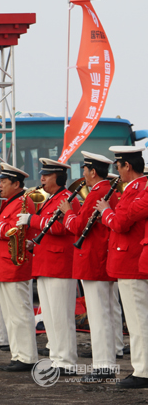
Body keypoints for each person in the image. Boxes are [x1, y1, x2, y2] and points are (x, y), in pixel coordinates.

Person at [58, 151, 118, 383]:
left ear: (93, 171)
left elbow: (77, 226)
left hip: (93, 259)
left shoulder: (97, 192)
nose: (82, 174)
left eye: (84, 170)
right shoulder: (106, 191)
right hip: (100, 259)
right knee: (104, 312)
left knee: (99, 314)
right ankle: (106, 363)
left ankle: (104, 366)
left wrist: (67, 212)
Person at [16, 158, 80, 375]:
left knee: (61, 316)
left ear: (59, 178)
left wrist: (32, 220)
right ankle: (57, 358)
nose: (42, 178)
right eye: (42, 174)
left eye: (47, 175)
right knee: (50, 317)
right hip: (46, 263)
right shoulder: (51, 200)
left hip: (60, 264)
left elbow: (62, 228)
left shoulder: (68, 199)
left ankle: (67, 362)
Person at [0, 163, 38, 372]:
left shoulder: (24, 202)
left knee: (19, 313)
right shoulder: (10, 203)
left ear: (16, 184)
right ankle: (18, 355)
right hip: (3, 264)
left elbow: (15, 231)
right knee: (11, 316)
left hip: (14, 264)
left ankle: (27, 357)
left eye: (4, 182)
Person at [99, 146, 148, 388]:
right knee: (138, 319)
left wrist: (105, 212)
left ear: (127, 166)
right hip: (132, 260)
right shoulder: (137, 189)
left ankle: (143, 371)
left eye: (117, 166)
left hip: (132, 262)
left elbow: (120, 223)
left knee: (139, 321)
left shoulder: (140, 190)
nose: (116, 171)